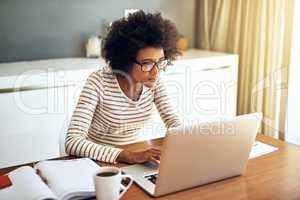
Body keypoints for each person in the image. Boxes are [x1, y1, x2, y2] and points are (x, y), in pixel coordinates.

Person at [65, 10, 182, 164]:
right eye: (147, 63)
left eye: (160, 61)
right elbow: (72, 142)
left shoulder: (153, 81)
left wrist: (185, 140)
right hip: (99, 162)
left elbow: (173, 121)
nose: (156, 71)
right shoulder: (98, 82)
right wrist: (127, 156)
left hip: (136, 156)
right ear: (125, 60)